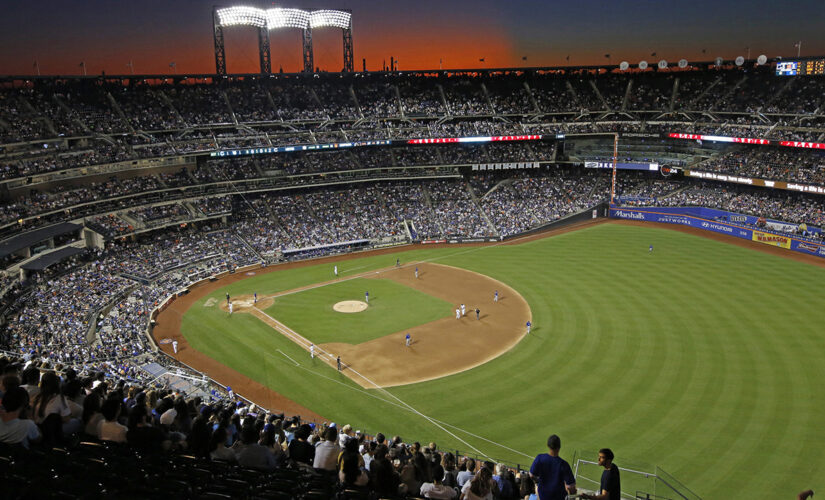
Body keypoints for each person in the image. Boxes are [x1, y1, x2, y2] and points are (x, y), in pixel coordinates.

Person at [529, 434, 576, 500]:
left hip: (543, 496)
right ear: (559, 447)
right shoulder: (564, 464)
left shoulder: (540, 458)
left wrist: (538, 482)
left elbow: (531, 475)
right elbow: (570, 486)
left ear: (548, 445)